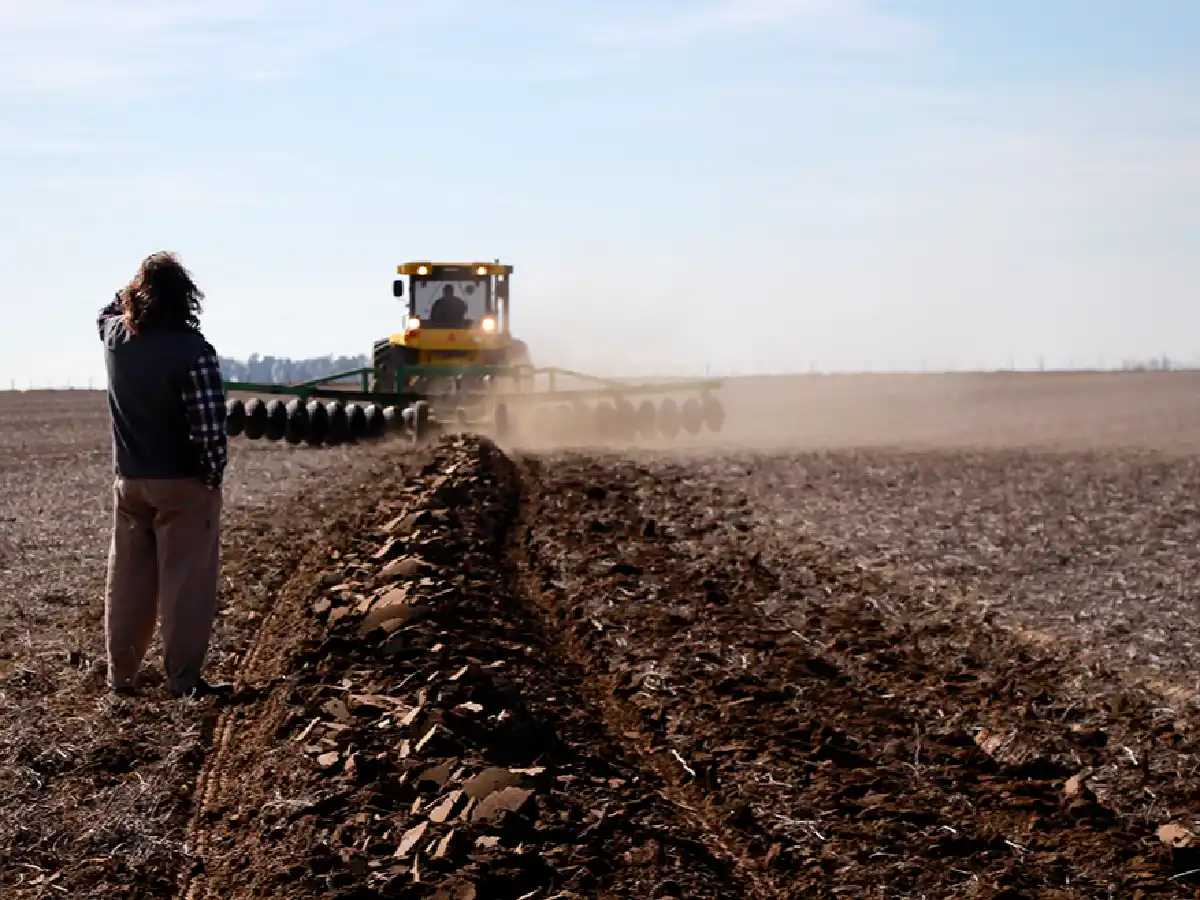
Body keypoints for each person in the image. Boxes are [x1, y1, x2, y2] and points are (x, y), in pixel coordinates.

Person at [97, 251, 229, 699]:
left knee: (129, 580)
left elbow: (105, 311)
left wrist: (129, 291)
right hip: (183, 485)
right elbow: (209, 430)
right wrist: (211, 477)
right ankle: (184, 680)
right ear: (187, 298)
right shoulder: (195, 352)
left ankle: (123, 678)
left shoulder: (115, 337)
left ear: (138, 296)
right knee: (185, 583)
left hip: (129, 481)